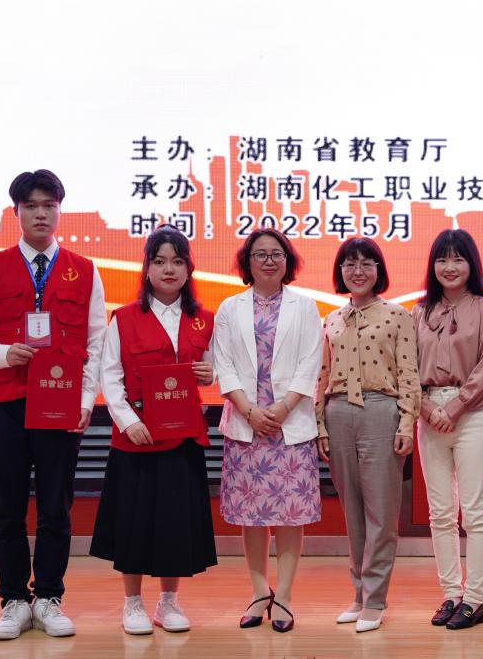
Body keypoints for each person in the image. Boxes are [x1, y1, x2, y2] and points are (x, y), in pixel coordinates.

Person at [0, 169, 106, 640]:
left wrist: (86, 400)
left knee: (57, 508)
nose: (41, 214)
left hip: (60, 405)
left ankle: (50, 598)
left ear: (60, 210)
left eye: (49, 206)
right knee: (7, 508)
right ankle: (14, 600)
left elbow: (97, 341)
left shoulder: (85, 270)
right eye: (31, 206)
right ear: (16, 212)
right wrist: (3, 353)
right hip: (4, 403)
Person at [90, 224, 217, 635]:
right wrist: (129, 421)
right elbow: (110, 376)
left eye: (177, 261)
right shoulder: (123, 319)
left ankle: (168, 601)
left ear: (188, 269)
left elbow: (214, 370)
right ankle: (132, 603)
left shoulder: (203, 320)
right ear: (146, 268)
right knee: (134, 521)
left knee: (174, 521)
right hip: (137, 439)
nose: (169, 269)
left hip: (183, 438)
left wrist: (209, 374)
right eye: (160, 261)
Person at [214, 228, 323, 634]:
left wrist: (282, 408)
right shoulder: (229, 308)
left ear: (288, 261)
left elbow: (310, 363)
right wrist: (249, 411)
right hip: (246, 425)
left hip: (288, 425)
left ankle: (286, 597)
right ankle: (260, 592)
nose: (269, 261)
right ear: (247, 262)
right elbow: (223, 364)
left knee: (290, 516)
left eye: (277, 254)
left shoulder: (305, 306)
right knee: (252, 516)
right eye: (260, 254)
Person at [315, 237, 421, 633]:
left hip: (381, 411)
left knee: (381, 513)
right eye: (349, 264)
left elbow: (409, 374)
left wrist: (406, 423)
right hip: (337, 412)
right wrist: (320, 425)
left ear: (379, 270)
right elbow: (321, 375)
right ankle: (359, 595)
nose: (357, 271)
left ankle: (375, 600)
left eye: (366, 263)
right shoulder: (331, 319)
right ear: (340, 271)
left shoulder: (398, 315)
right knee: (353, 512)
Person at [412, 229, 483, 631]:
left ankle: (474, 599)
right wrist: (429, 408)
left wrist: (454, 407)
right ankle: (451, 594)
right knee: (441, 513)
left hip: (473, 414)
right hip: (428, 413)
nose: (450, 267)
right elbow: (405, 368)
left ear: (472, 265)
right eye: (442, 259)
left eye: (458, 258)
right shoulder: (418, 312)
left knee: (476, 512)